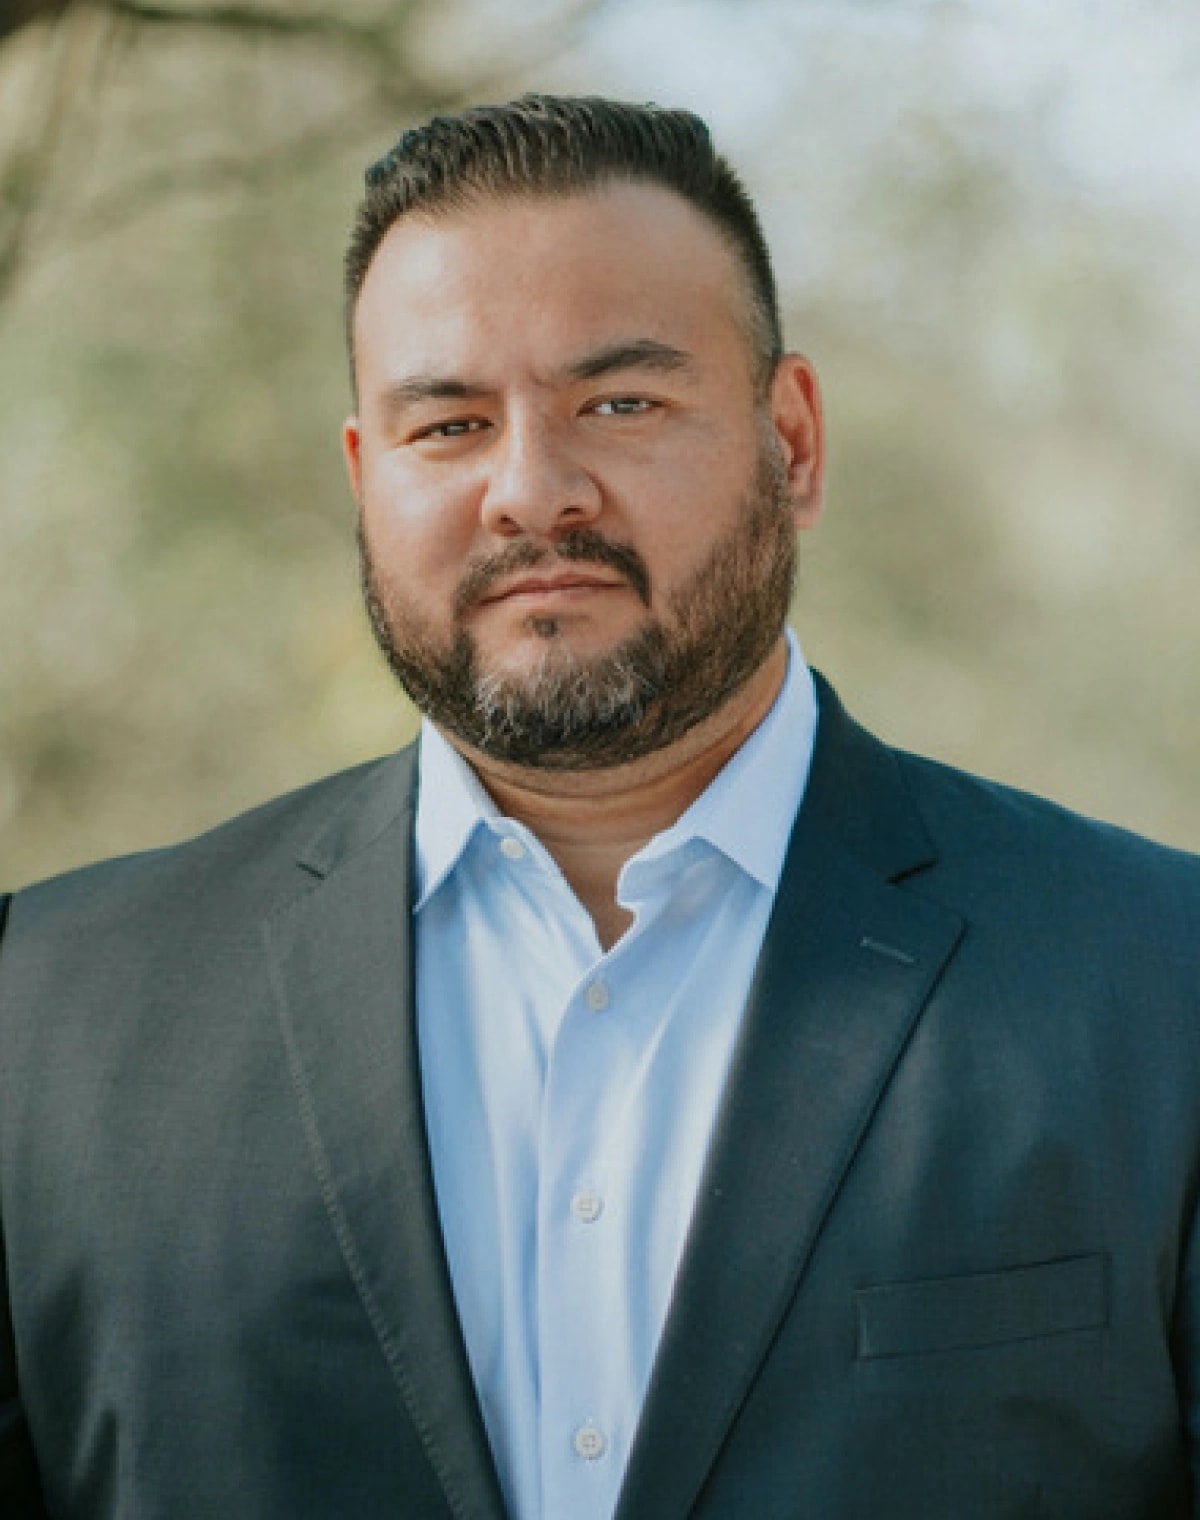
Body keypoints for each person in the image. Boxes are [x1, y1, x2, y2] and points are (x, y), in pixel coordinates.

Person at [1, 93, 1198, 1520]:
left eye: (620, 404)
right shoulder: (42, 1018)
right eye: (448, 423)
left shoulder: (1162, 984)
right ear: (366, 479)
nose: (530, 491)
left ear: (793, 442)